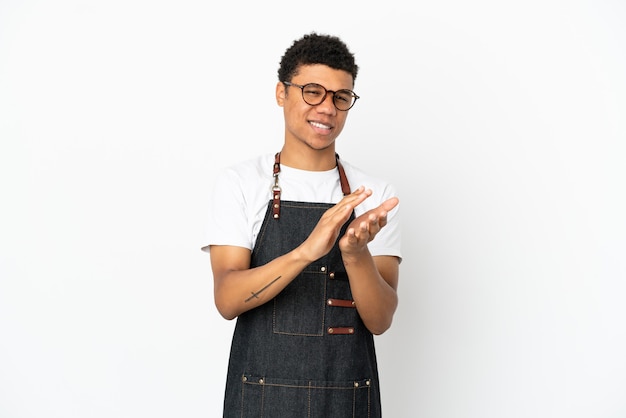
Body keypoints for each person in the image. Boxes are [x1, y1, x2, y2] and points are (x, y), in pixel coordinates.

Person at [202, 32, 402, 417]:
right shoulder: (241, 183)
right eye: (313, 91)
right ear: (282, 93)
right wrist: (306, 251)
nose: (327, 108)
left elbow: (380, 320)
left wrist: (355, 254)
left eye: (341, 97)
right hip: (261, 399)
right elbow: (227, 299)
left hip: (347, 398)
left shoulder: (374, 194)